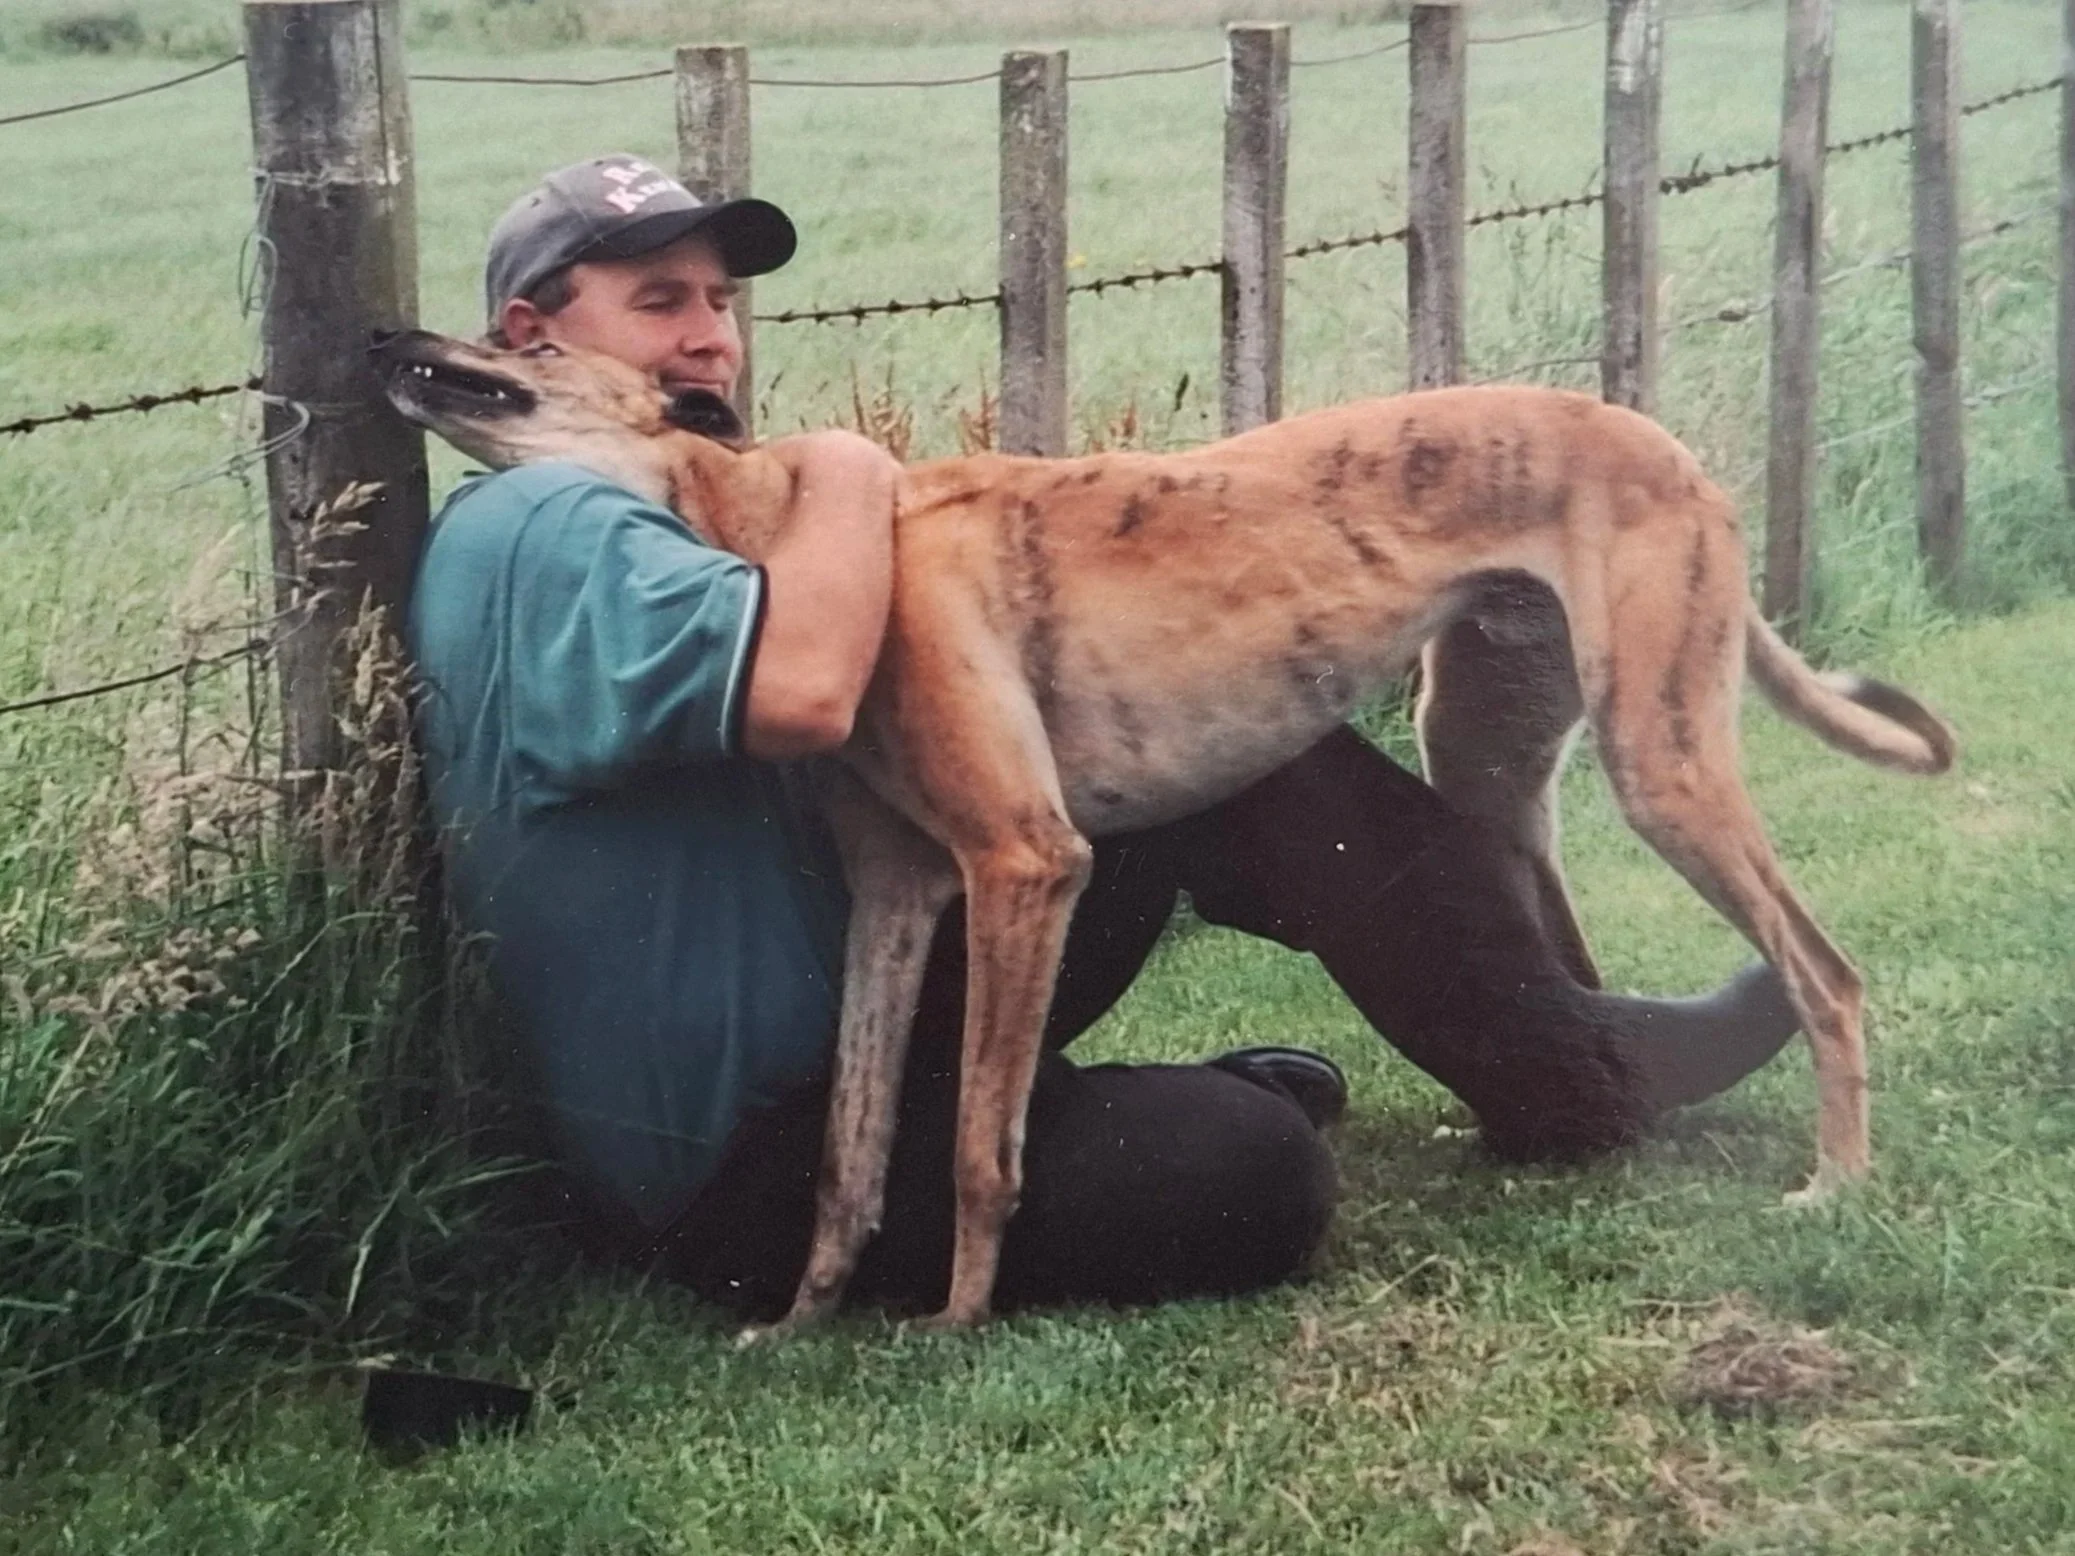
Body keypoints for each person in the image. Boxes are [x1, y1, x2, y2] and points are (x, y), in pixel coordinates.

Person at [406, 155, 1800, 1321]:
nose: (714, 334)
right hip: (741, 1163)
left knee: (1240, 739)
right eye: (661, 303)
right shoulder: (547, 523)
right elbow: (807, 693)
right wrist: (844, 466)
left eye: (722, 299)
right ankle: (1439, 1074)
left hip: (862, 1026)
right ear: (529, 341)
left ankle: (1561, 1060)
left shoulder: (654, 507)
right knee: (1247, 1173)